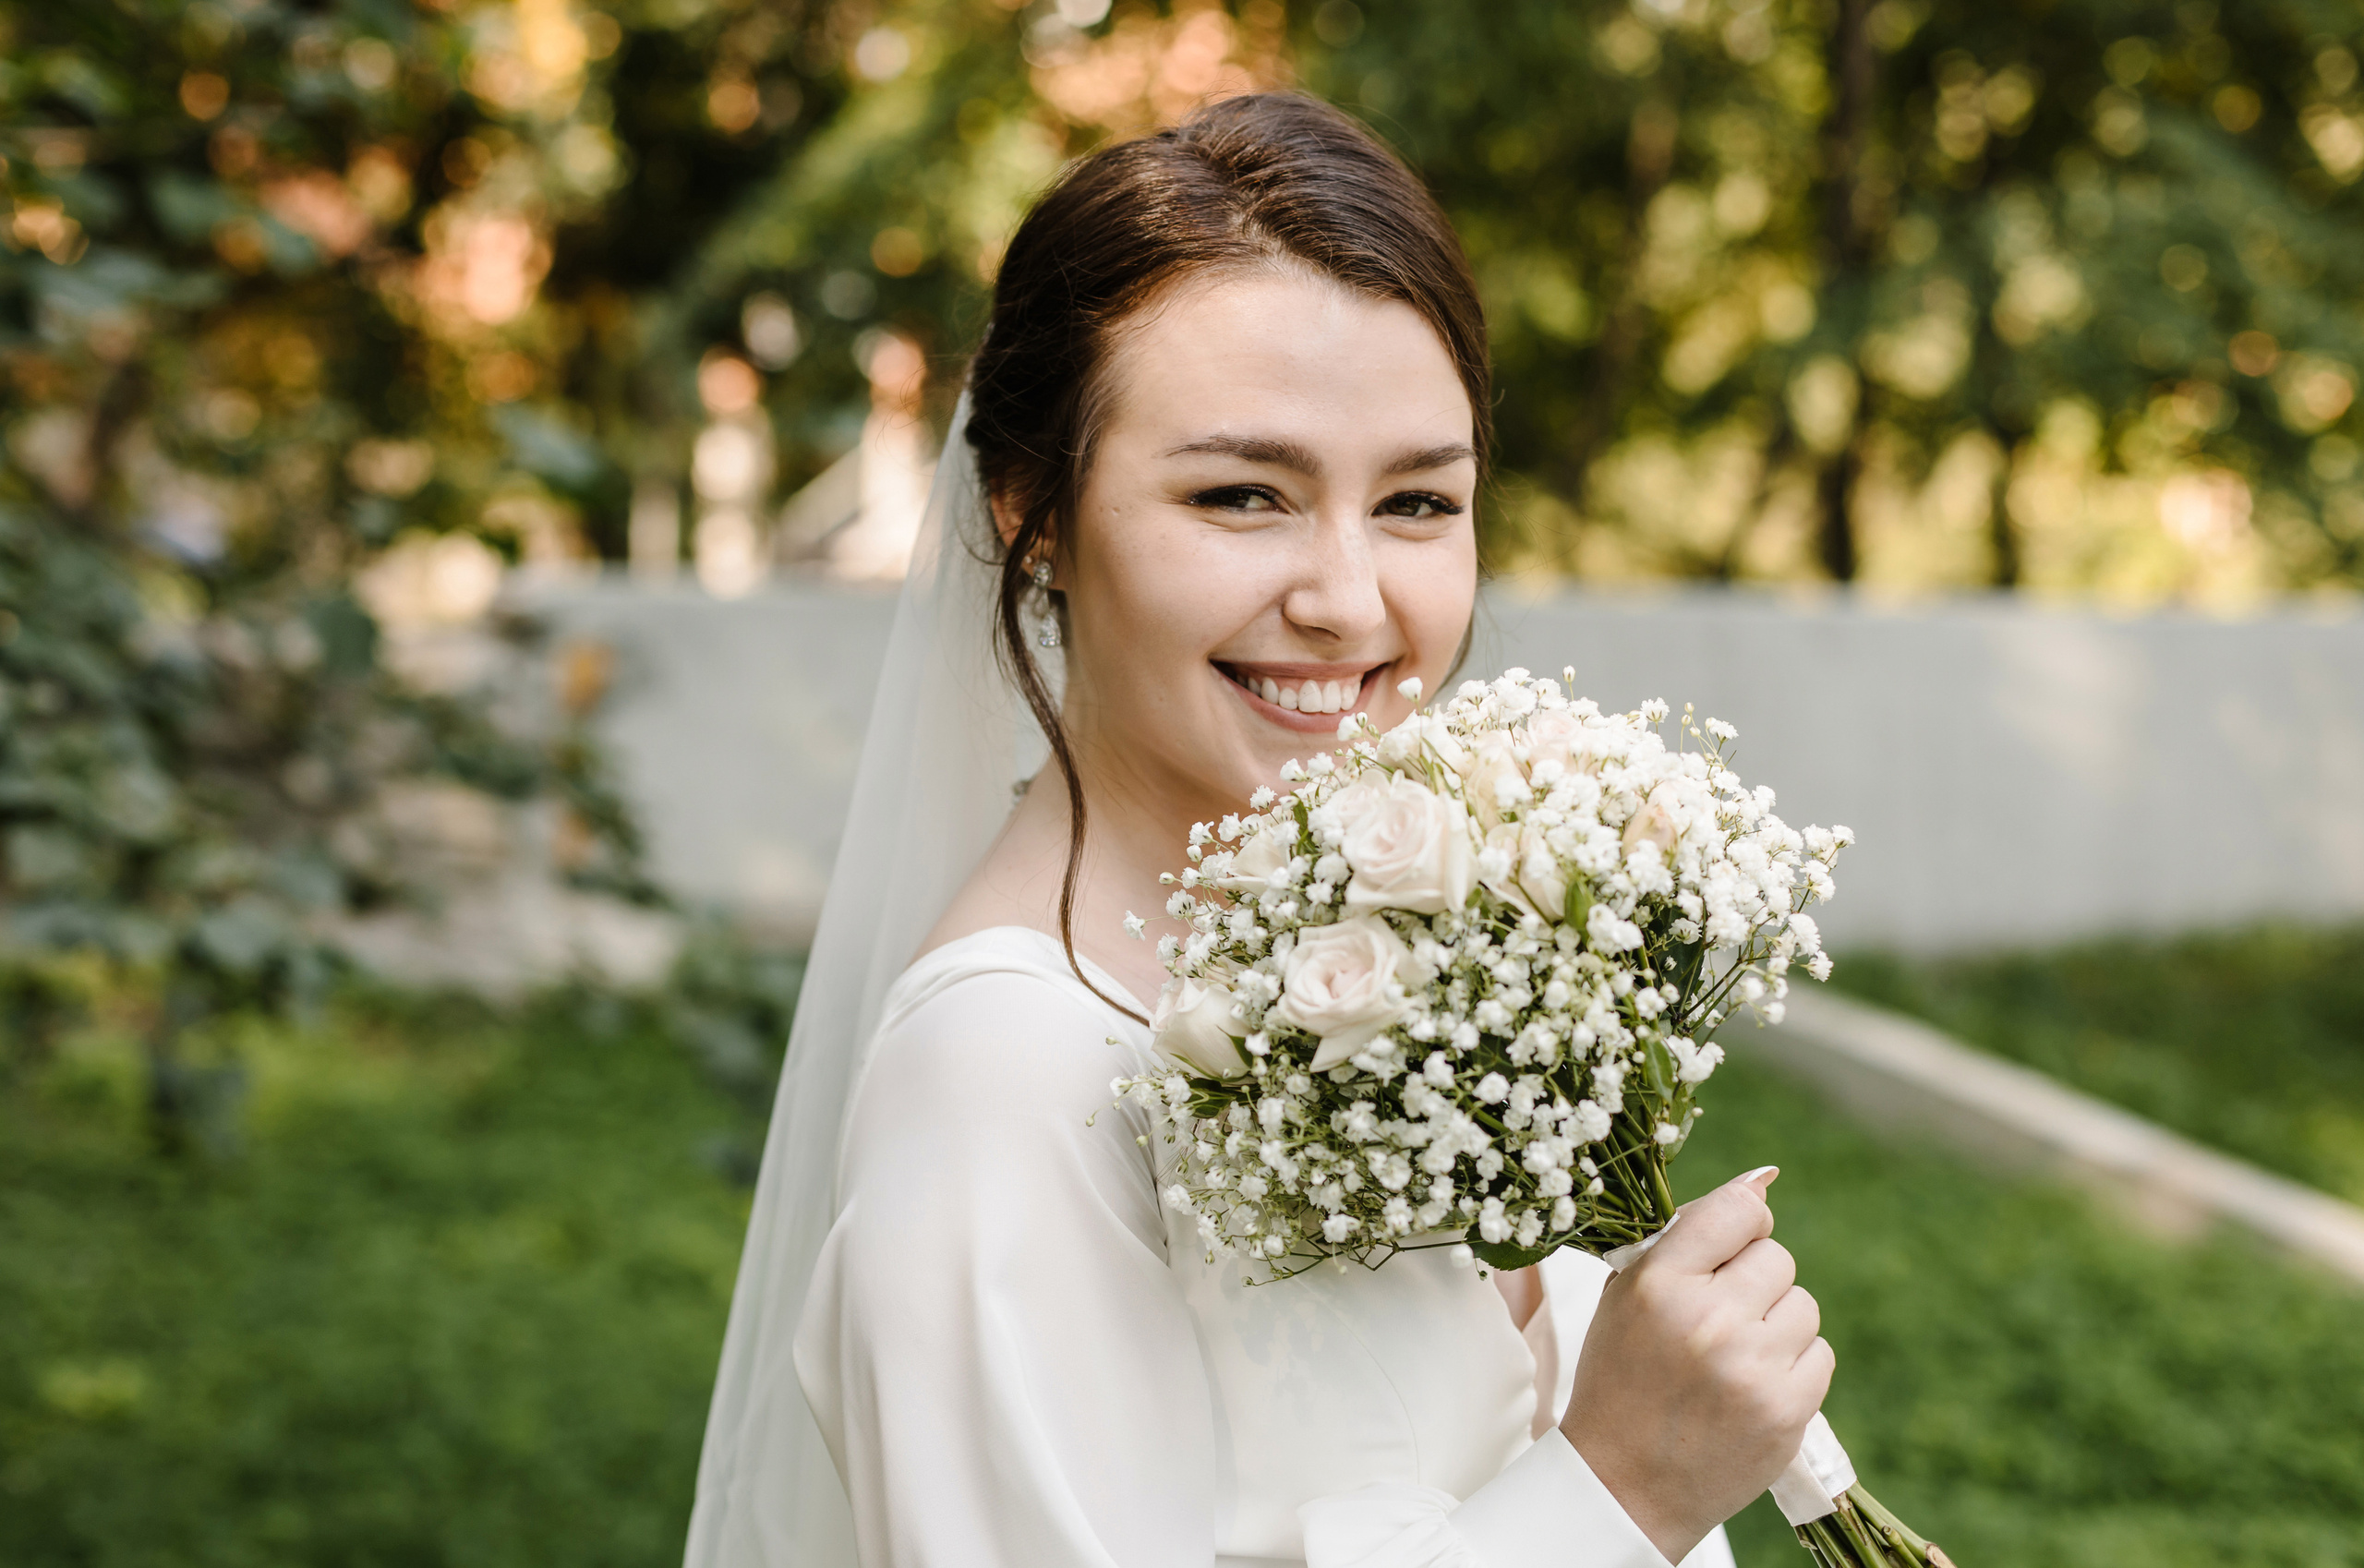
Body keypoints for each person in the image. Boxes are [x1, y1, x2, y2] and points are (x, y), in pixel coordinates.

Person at [687, 92, 1833, 1568]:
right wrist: (1616, 1492)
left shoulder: (1432, 939)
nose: (1349, 602)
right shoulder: (1005, 1077)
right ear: (1035, 511)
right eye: (1243, 494)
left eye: (1417, 501)